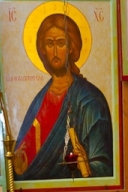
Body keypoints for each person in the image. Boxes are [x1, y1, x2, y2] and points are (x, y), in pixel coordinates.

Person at [14, 13, 113, 181]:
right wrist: (18, 164)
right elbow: (23, 155)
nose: (54, 51)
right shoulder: (40, 100)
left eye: (61, 43)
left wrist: (87, 166)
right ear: (42, 49)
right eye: (49, 44)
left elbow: (104, 166)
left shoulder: (90, 99)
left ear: (71, 47)